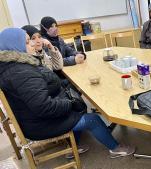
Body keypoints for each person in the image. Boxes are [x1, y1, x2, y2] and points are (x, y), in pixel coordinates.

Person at [0, 28, 135, 159]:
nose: (33, 44)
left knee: (80, 106)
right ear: (15, 46)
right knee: (92, 119)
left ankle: (74, 148)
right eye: (28, 41)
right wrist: (69, 103)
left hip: (34, 118)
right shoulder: (22, 72)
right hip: (40, 125)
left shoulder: (15, 66)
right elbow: (44, 107)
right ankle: (116, 149)